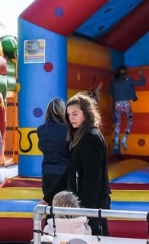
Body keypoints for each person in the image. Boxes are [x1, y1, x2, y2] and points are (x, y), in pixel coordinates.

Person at [44, 92, 111, 236]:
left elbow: (92, 179)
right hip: (88, 204)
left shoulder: (90, 137)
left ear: (86, 114)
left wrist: (86, 213)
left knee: (96, 243)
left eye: (75, 113)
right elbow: (70, 170)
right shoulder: (81, 136)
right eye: (68, 114)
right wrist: (48, 197)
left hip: (93, 204)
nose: (71, 118)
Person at [36, 98, 69, 199]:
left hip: (47, 173)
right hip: (64, 173)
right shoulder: (68, 130)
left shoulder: (41, 130)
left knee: (49, 204)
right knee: (65, 206)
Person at [108, 66, 146, 151]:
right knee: (130, 121)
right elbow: (142, 83)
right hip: (126, 104)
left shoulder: (114, 82)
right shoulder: (129, 80)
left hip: (117, 104)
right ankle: (124, 139)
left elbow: (109, 92)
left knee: (118, 122)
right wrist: (141, 74)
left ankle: (116, 140)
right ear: (125, 74)